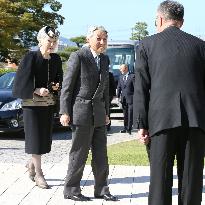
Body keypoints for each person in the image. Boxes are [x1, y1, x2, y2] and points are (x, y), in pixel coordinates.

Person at [133, 1, 205, 205]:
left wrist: (141, 124)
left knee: (159, 180)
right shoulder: (201, 46)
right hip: (195, 121)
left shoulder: (146, 44)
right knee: (192, 181)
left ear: (160, 19)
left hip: (160, 121)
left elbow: (141, 87)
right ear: (181, 21)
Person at [60, 26, 117, 202]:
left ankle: (102, 189)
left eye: (105, 39)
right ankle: (71, 190)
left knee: (101, 154)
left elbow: (106, 89)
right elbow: (67, 87)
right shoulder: (78, 56)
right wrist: (64, 111)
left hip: (100, 113)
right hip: (81, 112)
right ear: (88, 39)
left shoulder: (105, 59)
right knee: (79, 153)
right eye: (99, 38)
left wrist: (107, 112)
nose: (102, 42)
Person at [12, 26, 63, 189]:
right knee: (35, 138)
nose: (51, 44)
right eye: (49, 40)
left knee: (44, 139)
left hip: (48, 104)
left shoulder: (56, 59)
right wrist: (36, 89)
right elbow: (21, 81)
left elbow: (58, 79)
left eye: (54, 41)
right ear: (40, 40)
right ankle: (39, 174)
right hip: (32, 106)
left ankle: (31, 164)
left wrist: (56, 86)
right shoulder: (30, 57)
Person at [117, 64, 135, 135]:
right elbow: (119, 87)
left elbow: (135, 88)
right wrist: (118, 96)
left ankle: (129, 129)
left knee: (130, 113)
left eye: (121, 68)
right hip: (123, 99)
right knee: (125, 114)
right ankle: (125, 127)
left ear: (126, 68)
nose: (120, 70)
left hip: (131, 99)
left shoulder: (132, 76)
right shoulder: (120, 77)